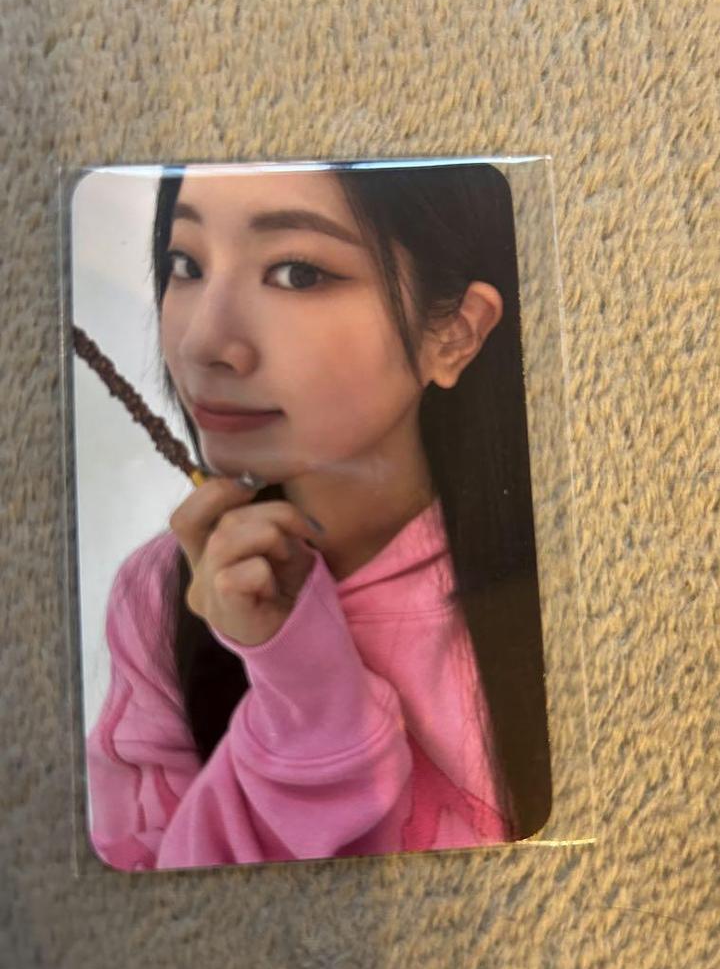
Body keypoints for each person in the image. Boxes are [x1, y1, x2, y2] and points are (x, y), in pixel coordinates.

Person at [85, 160, 551, 872]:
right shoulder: (160, 596)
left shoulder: (556, 580)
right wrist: (299, 685)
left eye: (297, 274)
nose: (204, 343)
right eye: (186, 265)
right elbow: (155, 915)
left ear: (456, 332)